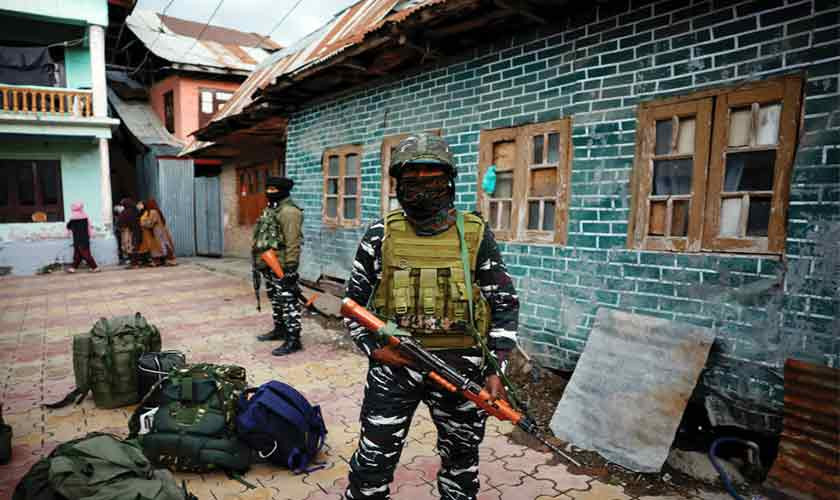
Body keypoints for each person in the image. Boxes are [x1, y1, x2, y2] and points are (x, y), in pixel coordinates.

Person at [342, 133, 519, 500]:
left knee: (461, 465)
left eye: (432, 177)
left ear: (449, 181)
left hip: (461, 369)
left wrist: (496, 367)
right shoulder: (380, 235)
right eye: (411, 179)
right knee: (371, 466)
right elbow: (352, 305)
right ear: (397, 185)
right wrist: (375, 349)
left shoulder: (475, 235)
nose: (422, 187)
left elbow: (503, 303)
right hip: (395, 369)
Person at [252, 176, 304, 356]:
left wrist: (291, 267)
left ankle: (294, 339)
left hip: (281, 266)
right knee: (276, 299)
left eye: (274, 190)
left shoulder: (289, 212)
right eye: (268, 189)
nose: (269, 192)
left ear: (284, 191)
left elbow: (293, 242)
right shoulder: (272, 209)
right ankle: (280, 329)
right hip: (269, 263)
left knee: (288, 301)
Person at [138, 199, 177, 267]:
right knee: (160, 245)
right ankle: (161, 260)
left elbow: (150, 222)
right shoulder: (154, 211)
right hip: (158, 231)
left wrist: (142, 223)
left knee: (160, 246)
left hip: (157, 232)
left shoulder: (153, 212)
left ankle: (166, 260)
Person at [65, 202, 99, 273]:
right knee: (78, 254)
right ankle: (73, 268)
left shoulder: (73, 217)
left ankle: (95, 267)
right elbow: (88, 226)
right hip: (85, 238)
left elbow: (68, 226)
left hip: (78, 239)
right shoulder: (85, 216)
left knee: (85, 254)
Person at [116, 198, 142, 269]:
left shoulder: (125, 212)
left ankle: (134, 264)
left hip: (128, 232)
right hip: (136, 231)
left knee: (129, 247)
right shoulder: (136, 211)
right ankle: (135, 263)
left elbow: (120, 223)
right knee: (134, 247)